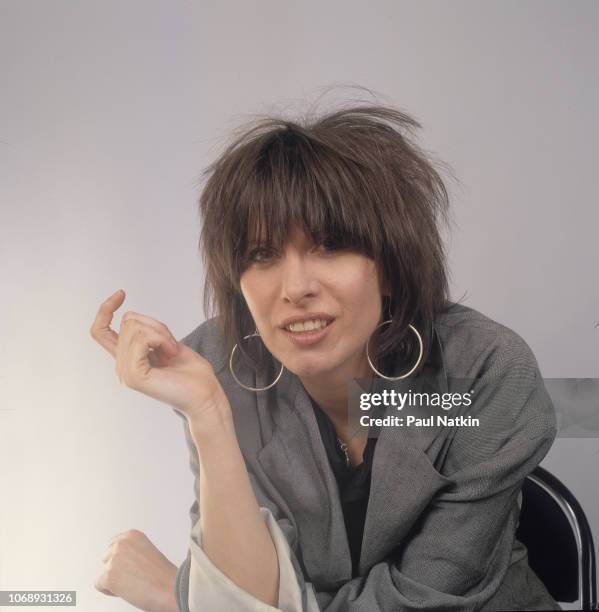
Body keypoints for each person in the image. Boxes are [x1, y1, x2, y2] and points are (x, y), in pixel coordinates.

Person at [90, 104, 560, 611]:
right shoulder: (215, 367)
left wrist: (176, 597)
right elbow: (246, 595)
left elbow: (427, 603)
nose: (295, 289)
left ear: (392, 261)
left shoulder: (484, 371)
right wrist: (207, 412)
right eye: (262, 255)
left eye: (331, 245)